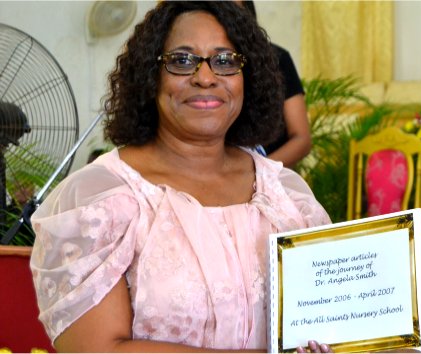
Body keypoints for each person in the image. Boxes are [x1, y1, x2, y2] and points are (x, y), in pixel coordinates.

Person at [29, 2, 331, 352]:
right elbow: (99, 349)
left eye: (225, 60)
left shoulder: (285, 195)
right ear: (150, 74)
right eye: (182, 60)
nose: (205, 77)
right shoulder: (102, 198)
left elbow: (330, 322)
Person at [239, 0, 312, 169]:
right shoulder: (203, 68)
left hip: (271, 178)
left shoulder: (277, 59)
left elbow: (301, 138)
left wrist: (258, 172)